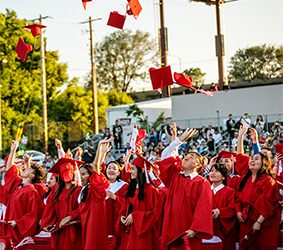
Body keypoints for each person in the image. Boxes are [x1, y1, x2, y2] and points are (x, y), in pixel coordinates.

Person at [157, 128, 213, 250]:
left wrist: (195, 228)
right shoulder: (175, 176)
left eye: (192, 156)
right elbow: (165, 155)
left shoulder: (202, 182)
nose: (187, 157)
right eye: (186, 155)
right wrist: (180, 139)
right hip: (170, 226)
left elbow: (203, 207)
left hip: (187, 228)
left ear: (198, 165)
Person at [236, 125, 281, 250]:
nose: (251, 160)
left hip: (262, 223)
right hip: (246, 221)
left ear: (263, 163)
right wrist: (240, 136)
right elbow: (240, 156)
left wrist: (258, 222)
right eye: (251, 158)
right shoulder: (246, 176)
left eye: (256, 159)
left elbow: (269, 203)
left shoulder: (268, 180)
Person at [0, 140, 45, 249]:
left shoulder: (32, 192)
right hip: (8, 229)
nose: (25, 168)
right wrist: (13, 150)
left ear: (32, 176)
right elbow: (10, 169)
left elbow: (33, 215)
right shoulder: (18, 185)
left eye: (28, 169)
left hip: (19, 232)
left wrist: (18, 222)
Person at [117, 154, 163, 250]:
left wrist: (136, 216)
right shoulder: (132, 188)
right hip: (131, 230)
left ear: (141, 170)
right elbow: (125, 207)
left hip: (144, 232)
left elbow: (155, 213)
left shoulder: (151, 190)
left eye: (133, 169)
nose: (130, 171)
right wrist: (123, 215)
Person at [41, 156, 84, 250]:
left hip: (75, 229)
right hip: (59, 229)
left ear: (74, 172)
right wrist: (46, 223)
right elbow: (49, 207)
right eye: (64, 171)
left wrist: (70, 216)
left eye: (69, 171)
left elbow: (84, 207)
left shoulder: (79, 189)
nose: (66, 174)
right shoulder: (56, 189)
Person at [208, 163, 236, 250]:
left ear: (223, 177)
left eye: (217, 171)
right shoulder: (205, 190)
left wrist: (219, 212)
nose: (213, 173)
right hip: (207, 228)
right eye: (211, 171)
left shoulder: (230, 192)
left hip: (223, 230)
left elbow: (232, 210)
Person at [105, 160, 128, 249]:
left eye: (114, 169)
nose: (111, 170)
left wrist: (115, 197)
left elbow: (128, 203)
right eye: (109, 168)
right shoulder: (101, 185)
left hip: (116, 220)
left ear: (118, 172)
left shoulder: (124, 186)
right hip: (103, 219)